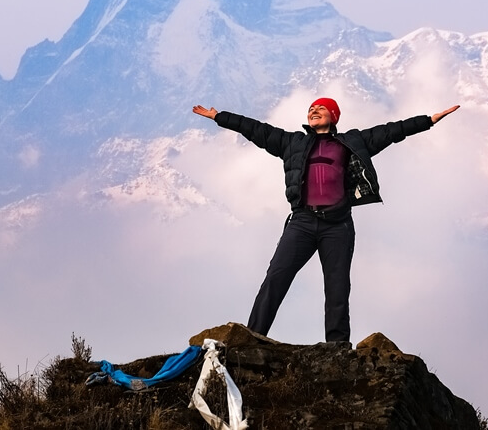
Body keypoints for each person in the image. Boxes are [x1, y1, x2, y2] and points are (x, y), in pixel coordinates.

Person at [192, 98, 459, 343]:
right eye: (311, 109)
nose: (314, 111)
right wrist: (219, 116)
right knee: (276, 277)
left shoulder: (352, 141)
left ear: (334, 116)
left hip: (338, 225)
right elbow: (255, 129)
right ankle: (252, 337)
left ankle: (337, 347)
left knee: (337, 287)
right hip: (302, 222)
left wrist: (428, 120)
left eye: (321, 108)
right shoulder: (292, 142)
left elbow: (391, 131)